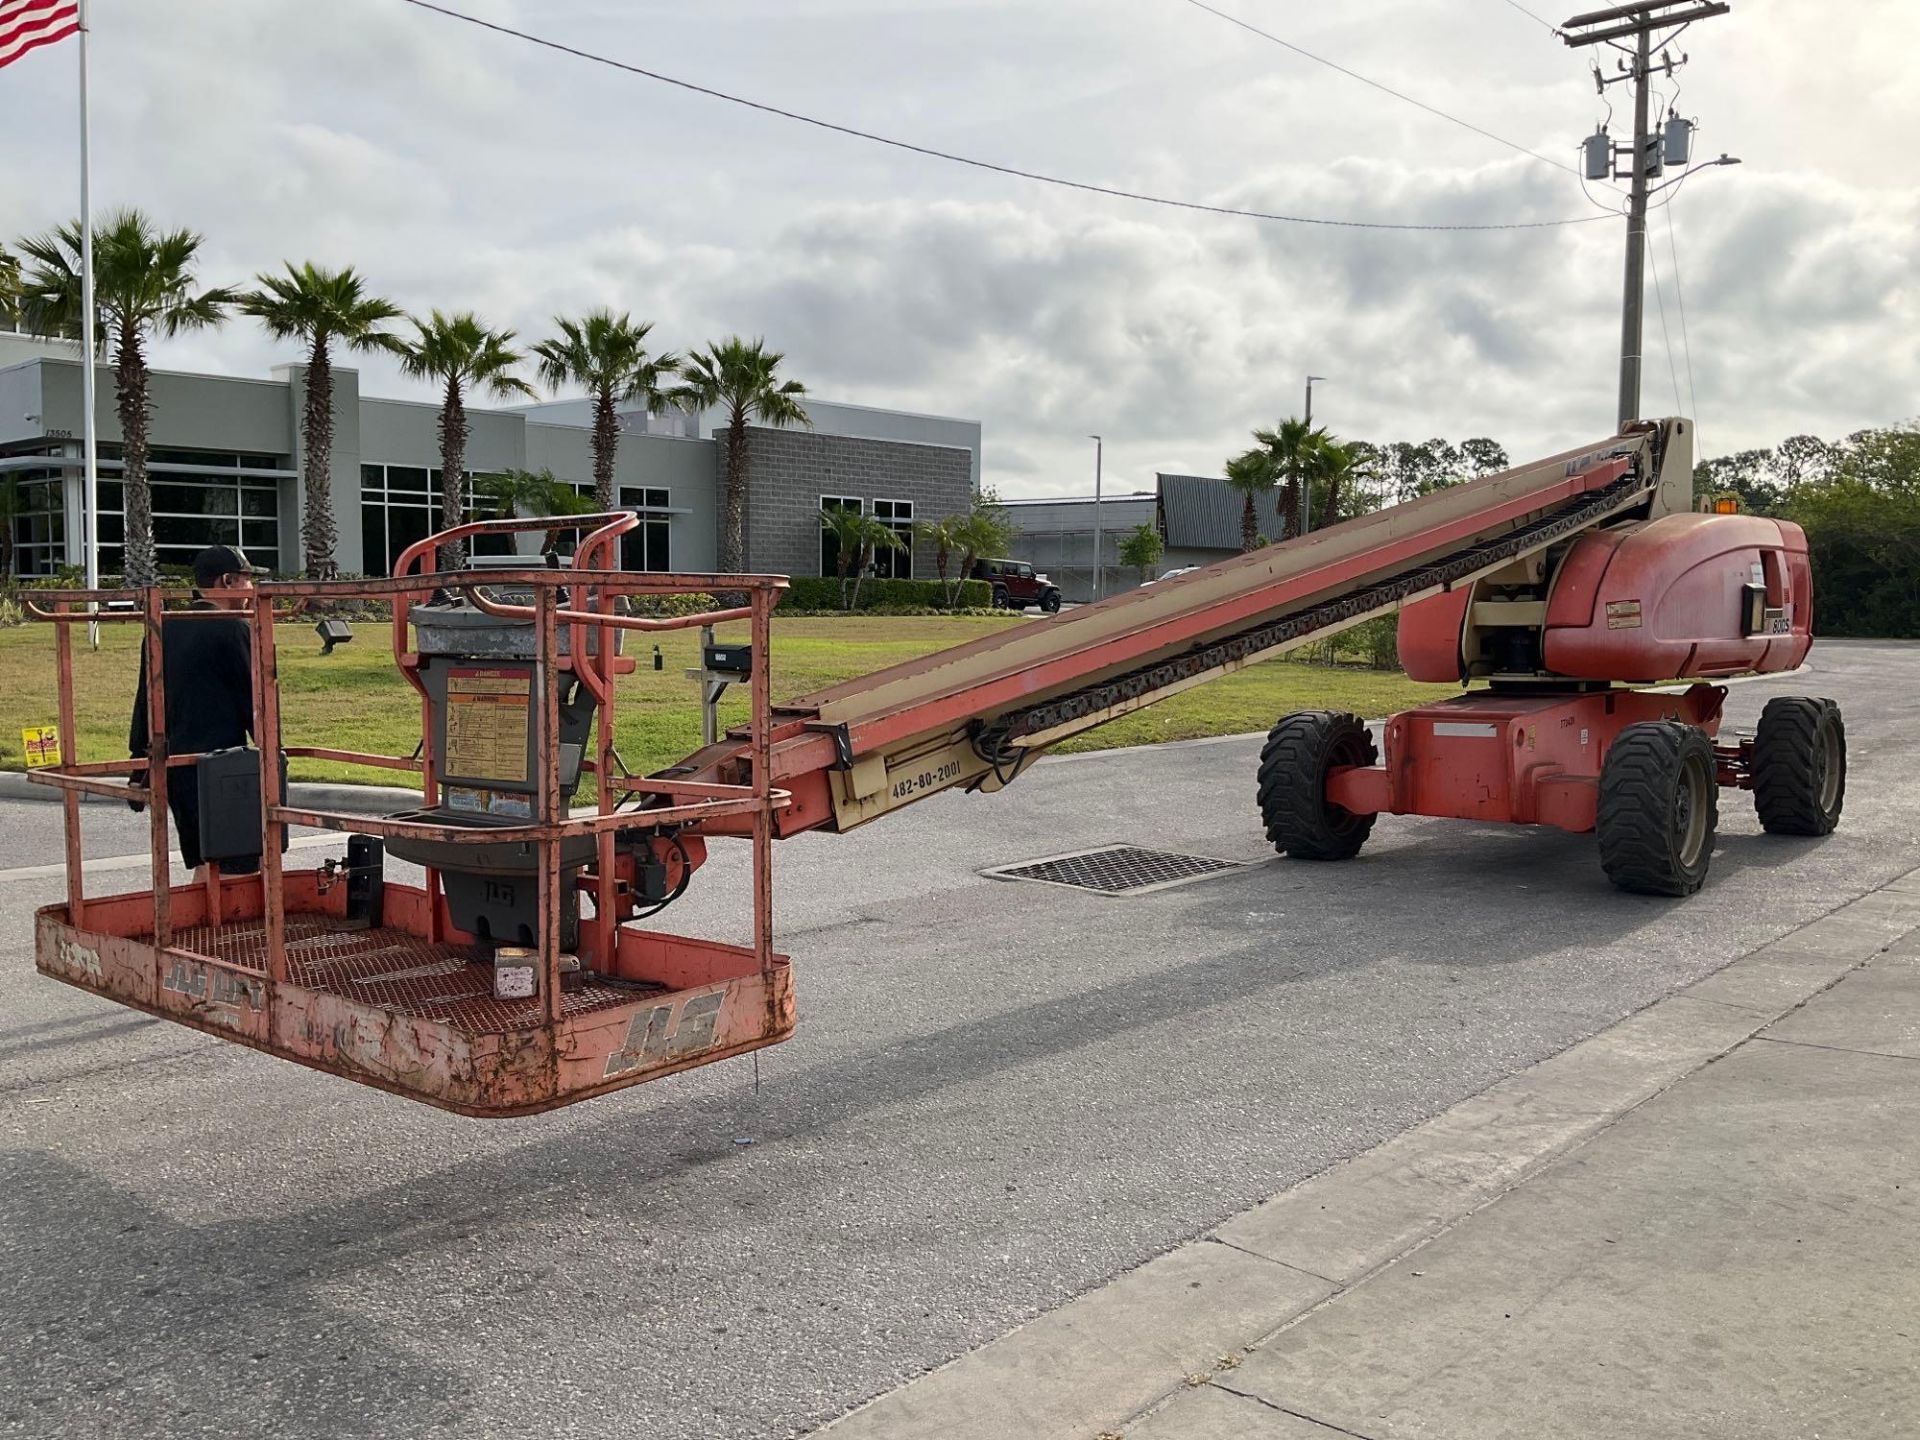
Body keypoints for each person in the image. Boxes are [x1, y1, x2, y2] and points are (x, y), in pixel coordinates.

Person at [128, 544, 267, 875]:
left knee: (206, 863)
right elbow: (255, 704)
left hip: (177, 768)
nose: (252, 590)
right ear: (227, 581)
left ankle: (199, 925)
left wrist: (138, 768)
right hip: (223, 769)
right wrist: (273, 758)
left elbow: (145, 700)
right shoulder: (232, 629)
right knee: (240, 867)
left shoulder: (164, 628)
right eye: (248, 580)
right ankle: (233, 928)